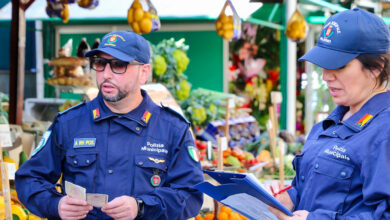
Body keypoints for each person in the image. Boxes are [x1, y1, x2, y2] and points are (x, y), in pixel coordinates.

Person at [15, 30, 204, 220]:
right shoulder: (68, 124)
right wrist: (55, 205)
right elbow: (29, 179)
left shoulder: (172, 128)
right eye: (100, 63)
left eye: (118, 65)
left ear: (144, 73)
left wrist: (141, 207)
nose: (106, 74)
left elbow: (190, 195)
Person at [269, 8, 390, 220]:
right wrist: (288, 198)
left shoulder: (384, 131)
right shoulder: (328, 125)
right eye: (324, 64)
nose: (326, 76)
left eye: (339, 66)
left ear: (377, 67)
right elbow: (310, 188)